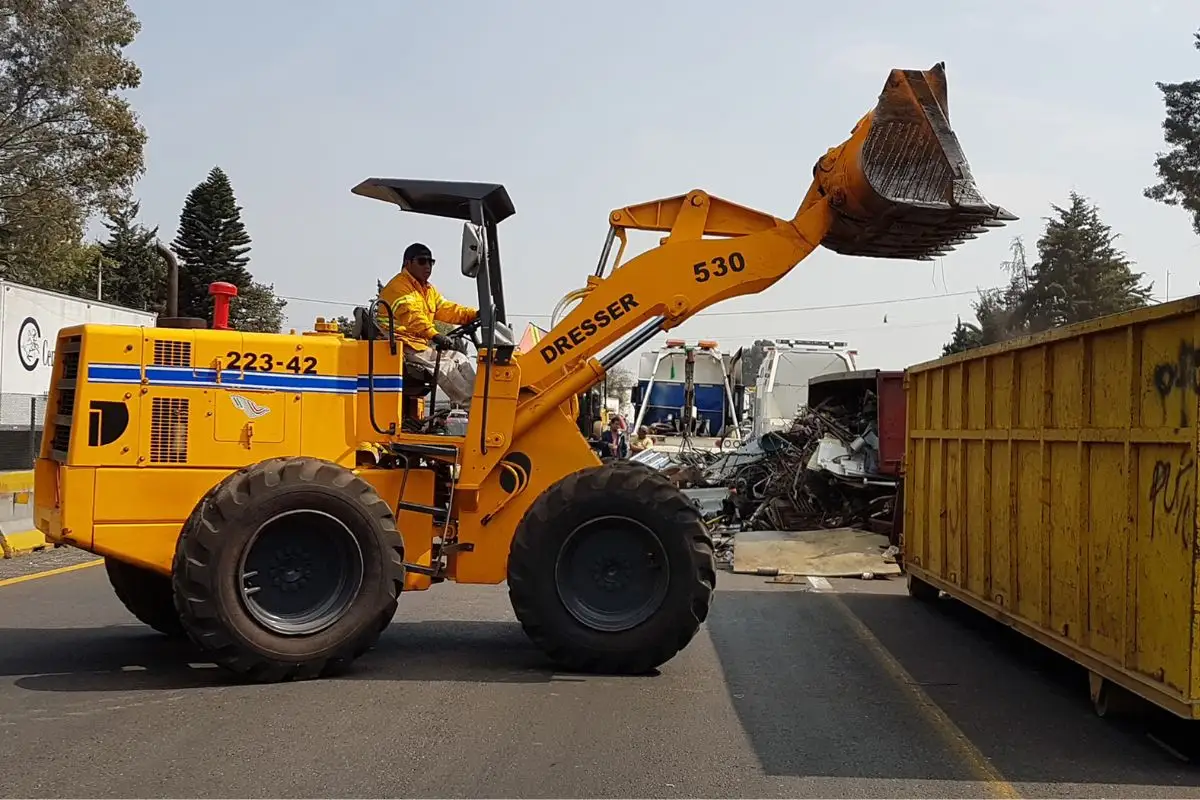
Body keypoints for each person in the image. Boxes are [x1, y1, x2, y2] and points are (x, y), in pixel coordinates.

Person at [376, 242, 478, 351]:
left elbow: (447, 309)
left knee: (460, 360)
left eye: (430, 262)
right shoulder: (399, 288)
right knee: (449, 367)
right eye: (422, 261)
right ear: (407, 263)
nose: (427, 266)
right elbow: (413, 317)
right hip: (400, 345)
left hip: (417, 345)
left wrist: (474, 314)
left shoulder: (428, 290)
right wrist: (435, 335)